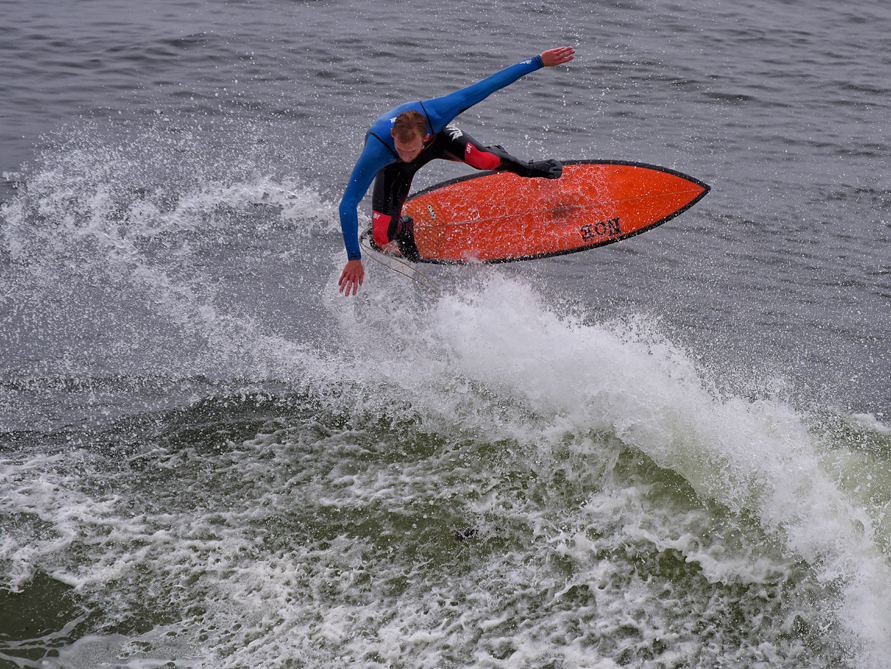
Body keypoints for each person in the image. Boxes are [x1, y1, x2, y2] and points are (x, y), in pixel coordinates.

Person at [337, 46, 576, 296]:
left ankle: (525, 167)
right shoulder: (378, 150)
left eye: (411, 150)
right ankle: (405, 226)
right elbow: (348, 204)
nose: (406, 155)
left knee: (484, 159)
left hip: (440, 142)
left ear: (425, 135)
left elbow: (488, 85)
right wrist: (354, 257)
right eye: (400, 148)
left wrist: (538, 61)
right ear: (393, 135)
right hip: (393, 169)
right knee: (382, 238)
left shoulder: (438, 114)